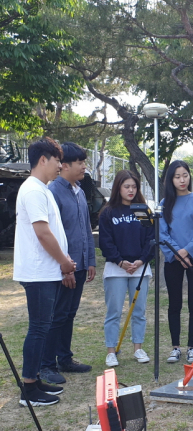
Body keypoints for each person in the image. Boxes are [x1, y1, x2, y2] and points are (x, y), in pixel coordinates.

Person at [14, 137, 75, 406]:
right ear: (42, 159)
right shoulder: (34, 190)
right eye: (57, 161)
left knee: (42, 326)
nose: (60, 166)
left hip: (45, 271)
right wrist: (63, 262)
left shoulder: (42, 189)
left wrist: (63, 260)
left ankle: (34, 379)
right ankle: (29, 390)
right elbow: (42, 233)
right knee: (38, 329)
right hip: (38, 272)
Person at [40, 142, 96, 386]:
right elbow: (53, 235)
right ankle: (46, 365)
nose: (84, 166)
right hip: (64, 267)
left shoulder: (79, 190)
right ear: (64, 165)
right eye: (80, 163)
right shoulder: (53, 192)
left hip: (82, 265)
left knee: (69, 314)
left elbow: (85, 228)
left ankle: (65, 358)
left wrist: (90, 260)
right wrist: (65, 267)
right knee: (58, 316)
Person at [99, 170, 154, 367]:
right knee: (114, 311)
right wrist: (120, 261)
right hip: (116, 269)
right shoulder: (108, 212)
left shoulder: (143, 210)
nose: (131, 190)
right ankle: (111, 351)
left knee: (138, 311)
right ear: (118, 188)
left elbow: (151, 239)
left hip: (140, 268)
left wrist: (141, 260)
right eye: (126, 186)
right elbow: (105, 241)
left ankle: (138, 349)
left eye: (134, 186)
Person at [159, 161, 193, 364]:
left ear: (190, 176)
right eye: (177, 176)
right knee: (174, 303)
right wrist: (177, 253)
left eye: (185, 175)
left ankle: (192, 347)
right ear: (171, 179)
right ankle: (175, 347)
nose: (182, 179)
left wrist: (187, 251)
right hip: (172, 260)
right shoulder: (164, 204)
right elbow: (162, 233)